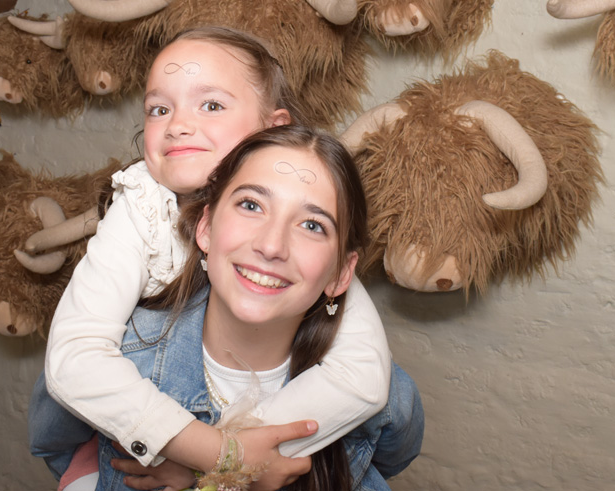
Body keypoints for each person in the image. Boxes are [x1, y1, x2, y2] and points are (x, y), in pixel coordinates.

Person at [40, 27, 392, 487]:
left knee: (397, 395)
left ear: (275, 129)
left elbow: (364, 375)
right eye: (158, 109)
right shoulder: (142, 204)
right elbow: (74, 357)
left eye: (211, 105)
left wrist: (233, 458)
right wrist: (215, 452)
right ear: (205, 227)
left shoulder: (307, 198)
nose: (178, 124)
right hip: (132, 385)